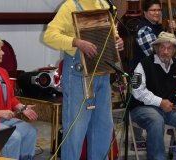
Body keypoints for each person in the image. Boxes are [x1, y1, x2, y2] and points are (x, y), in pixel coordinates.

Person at [43, 0, 124, 160]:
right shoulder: (70, 6)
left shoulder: (105, 5)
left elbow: (111, 33)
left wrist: (117, 40)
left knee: (103, 127)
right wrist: (76, 42)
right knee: (76, 129)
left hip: (102, 72)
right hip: (78, 75)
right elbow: (49, 36)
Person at [129, 31, 176, 160]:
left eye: (169, 48)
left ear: (174, 50)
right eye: (162, 47)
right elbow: (137, 91)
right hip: (142, 109)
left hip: (168, 109)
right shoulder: (143, 64)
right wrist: (160, 102)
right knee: (156, 120)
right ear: (156, 48)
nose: (165, 51)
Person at [131, 0, 176, 145]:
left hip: (155, 73)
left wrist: (170, 32)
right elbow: (158, 54)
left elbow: (167, 50)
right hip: (143, 73)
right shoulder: (144, 30)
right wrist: (169, 38)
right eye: (152, 10)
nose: (157, 13)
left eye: (158, 10)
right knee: (141, 102)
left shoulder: (157, 27)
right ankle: (138, 139)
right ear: (145, 12)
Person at [0, 36, 38, 160]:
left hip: (2, 119)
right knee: (13, 137)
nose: (3, 52)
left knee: (30, 131)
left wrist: (22, 107)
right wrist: (0, 113)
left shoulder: (3, 72)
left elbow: (11, 97)